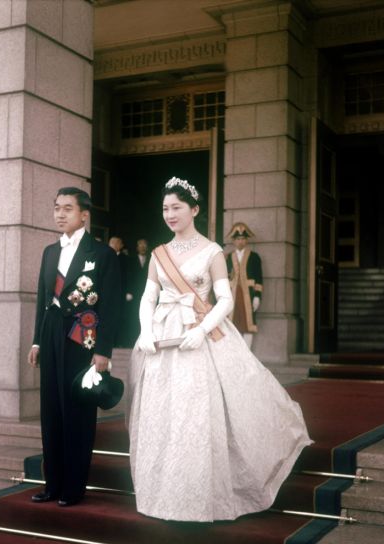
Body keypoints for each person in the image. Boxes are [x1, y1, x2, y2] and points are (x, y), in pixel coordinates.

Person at [128, 176, 312, 522]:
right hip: (164, 338)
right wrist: (145, 330)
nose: (170, 214)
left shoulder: (212, 251)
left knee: (195, 414)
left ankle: (199, 497)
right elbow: (148, 296)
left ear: (194, 209)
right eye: (166, 208)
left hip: (200, 337)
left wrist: (202, 330)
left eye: (177, 208)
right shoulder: (158, 253)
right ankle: (163, 493)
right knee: (164, 414)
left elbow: (226, 300)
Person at [28, 187, 123, 507]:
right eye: (57, 208)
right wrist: (37, 340)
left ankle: (73, 488)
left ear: (84, 214)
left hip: (83, 340)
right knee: (51, 411)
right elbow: (43, 301)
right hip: (52, 334)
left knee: (77, 413)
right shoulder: (49, 252)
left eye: (67, 208)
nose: (60, 214)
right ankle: (52, 484)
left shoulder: (102, 254)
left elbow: (110, 307)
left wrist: (104, 352)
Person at [225, 222, 264, 350]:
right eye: (237, 239)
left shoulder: (254, 257)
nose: (240, 242)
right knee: (232, 324)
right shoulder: (228, 258)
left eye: (243, 239)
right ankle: (236, 354)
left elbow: (259, 278)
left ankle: (247, 354)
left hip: (249, 295)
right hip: (232, 296)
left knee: (248, 325)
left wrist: (257, 297)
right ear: (233, 241)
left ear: (246, 240)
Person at [122, 238, 150, 347]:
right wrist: (128, 291)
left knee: (146, 316)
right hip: (133, 294)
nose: (143, 247)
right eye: (140, 245)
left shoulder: (152, 259)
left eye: (144, 245)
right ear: (137, 247)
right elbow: (128, 275)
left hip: (147, 293)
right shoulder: (130, 259)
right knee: (133, 316)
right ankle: (131, 341)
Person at [108, 236, 134, 347]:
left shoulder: (125, 258)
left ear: (121, 245)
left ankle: (119, 342)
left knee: (120, 317)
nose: (113, 244)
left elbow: (129, 275)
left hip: (120, 293)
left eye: (115, 242)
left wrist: (129, 291)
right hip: (107, 293)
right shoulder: (104, 256)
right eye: (111, 242)